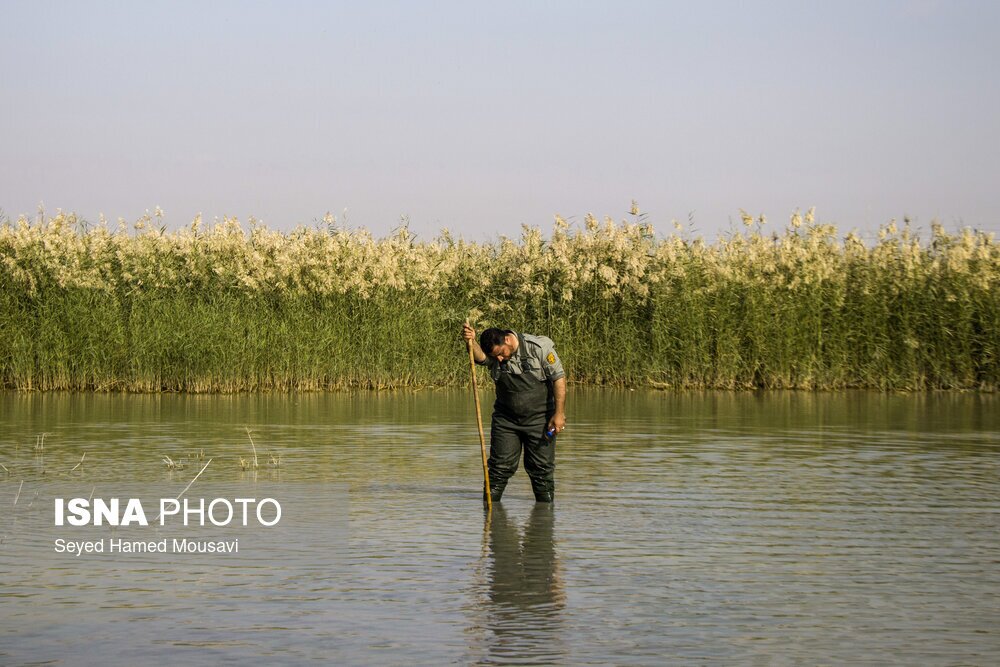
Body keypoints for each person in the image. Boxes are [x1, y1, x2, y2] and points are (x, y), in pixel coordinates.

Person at [462, 324, 567, 503]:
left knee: (541, 470)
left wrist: (559, 414)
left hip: (540, 420)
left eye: (502, 353)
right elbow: (480, 357)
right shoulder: (497, 355)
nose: (500, 359)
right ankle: (490, 521)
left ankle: (544, 521)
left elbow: (559, 379)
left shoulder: (538, 348)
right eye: (496, 356)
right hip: (506, 421)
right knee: (499, 468)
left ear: (508, 340)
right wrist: (470, 342)